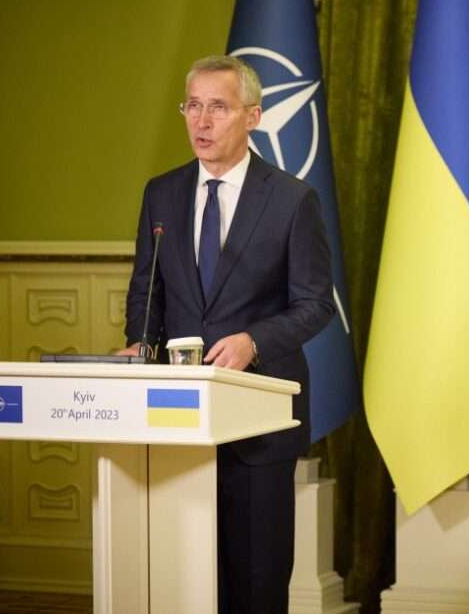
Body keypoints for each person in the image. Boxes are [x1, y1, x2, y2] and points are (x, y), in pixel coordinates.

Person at [120, 55, 334, 613]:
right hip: (175, 423)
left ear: (253, 116)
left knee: (256, 584)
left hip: (258, 424)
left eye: (218, 106)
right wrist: (140, 345)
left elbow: (315, 305)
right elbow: (147, 291)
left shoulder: (292, 200)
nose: (202, 121)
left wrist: (253, 342)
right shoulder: (161, 194)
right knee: (187, 579)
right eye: (192, 105)